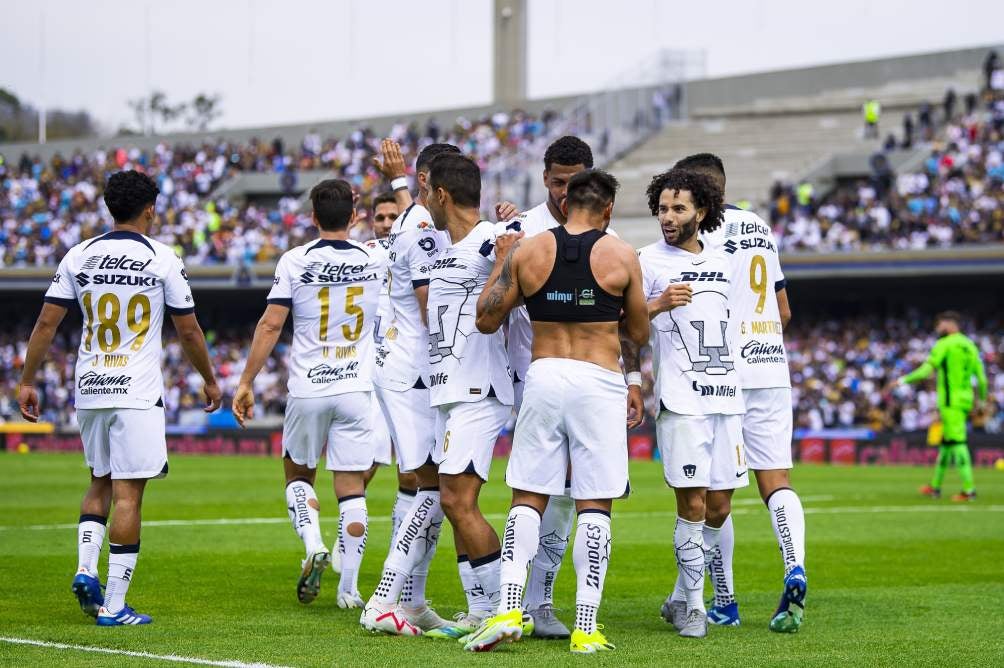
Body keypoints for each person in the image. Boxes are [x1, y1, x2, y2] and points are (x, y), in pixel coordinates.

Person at [18, 169, 222, 626]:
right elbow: (187, 328)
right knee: (129, 493)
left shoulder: (80, 255)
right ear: (150, 208)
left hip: (90, 385)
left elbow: (46, 324)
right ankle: (113, 604)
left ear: (110, 206)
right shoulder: (162, 258)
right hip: (136, 389)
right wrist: (209, 378)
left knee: (99, 480)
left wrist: (27, 380)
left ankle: (85, 568)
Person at [464, 169, 649, 654]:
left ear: (564, 203)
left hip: (544, 375)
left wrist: (502, 262)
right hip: (598, 380)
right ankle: (585, 626)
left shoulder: (529, 250)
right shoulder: (621, 253)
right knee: (595, 499)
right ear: (607, 209)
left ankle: (507, 610)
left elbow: (486, 319)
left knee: (528, 495)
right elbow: (640, 333)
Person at [232, 179, 388, 609]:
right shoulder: (375, 259)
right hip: (357, 385)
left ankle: (315, 544)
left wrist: (246, 380)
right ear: (354, 216)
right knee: (352, 487)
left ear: (314, 217)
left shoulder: (295, 260)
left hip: (309, 386)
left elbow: (269, 325)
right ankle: (350, 588)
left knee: (298, 475)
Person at [680, 153, 808, 633]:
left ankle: (726, 601)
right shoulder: (758, 225)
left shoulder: (701, 232)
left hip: (725, 375)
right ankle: (794, 565)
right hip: (771, 366)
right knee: (777, 480)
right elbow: (784, 310)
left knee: (718, 496)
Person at [638, 168, 747, 640]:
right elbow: (621, 324)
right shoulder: (645, 261)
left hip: (727, 397)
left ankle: (680, 595)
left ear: (701, 212)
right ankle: (696, 609)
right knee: (693, 504)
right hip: (681, 399)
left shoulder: (726, 261)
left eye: (678, 208)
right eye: (662, 208)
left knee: (720, 508)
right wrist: (657, 304)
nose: (668, 216)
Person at [359, 141, 460, 636]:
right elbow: (429, 304)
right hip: (411, 369)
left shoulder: (417, 217)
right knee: (433, 485)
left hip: (406, 365)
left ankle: (413, 599)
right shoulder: (421, 224)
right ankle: (383, 599)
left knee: (429, 484)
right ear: (434, 187)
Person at [418, 153, 515, 639]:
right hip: (448, 390)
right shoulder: (449, 248)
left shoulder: (488, 243)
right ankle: (479, 610)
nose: (422, 201)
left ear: (442, 195)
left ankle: (502, 610)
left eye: (425, 192)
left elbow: (516, 278)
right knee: (451, 499)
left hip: (479, 390)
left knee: (459, 500)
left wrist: (507, 249)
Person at [361, 192, 418, 547]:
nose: (385, 223)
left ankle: (398, 550)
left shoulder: (417, 250)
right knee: (362, 469)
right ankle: (348, 532)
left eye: (392, 216)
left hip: (404, 367)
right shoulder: (364, 254)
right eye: (379, 217)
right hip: (369, 371)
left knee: (411, 473)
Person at [890, 311, 987, 502]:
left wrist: (902, 380)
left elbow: (926, 370)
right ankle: (935, 486)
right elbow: (982, 380)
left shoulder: (945, 344)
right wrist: (981, 400)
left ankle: (969, 490)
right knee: (947, 444)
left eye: (940, 324)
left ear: (950, 324)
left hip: (950, 401)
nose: (937, 328)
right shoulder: (970, 345)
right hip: (965, 400)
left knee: (958, 443)